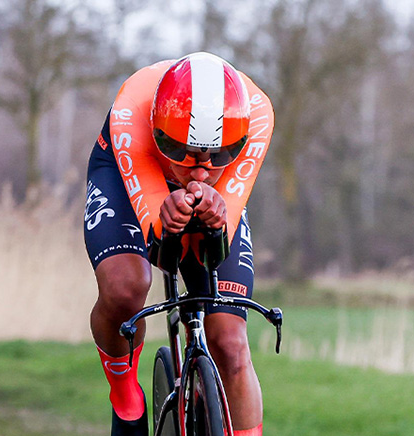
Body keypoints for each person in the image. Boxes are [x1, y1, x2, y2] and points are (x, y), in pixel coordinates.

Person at [84, 52, 274, 436]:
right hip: (131, 173)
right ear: (160, 132)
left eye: (218, 156)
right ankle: (125, 398)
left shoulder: (257, 113)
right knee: (127, 287)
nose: (201, 170)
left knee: (230, 342)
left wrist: (217, 216)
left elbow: (223, 225)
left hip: (220, 193)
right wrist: (164, 219)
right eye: (182, 153)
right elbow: (159, 236)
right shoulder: (131, 110)